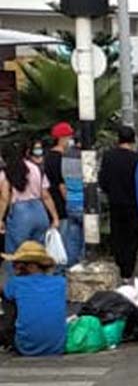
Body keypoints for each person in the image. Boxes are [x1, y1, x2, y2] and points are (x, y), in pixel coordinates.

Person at [0, 142, 60, 276]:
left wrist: (0, 218)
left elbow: (4, 197)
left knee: (16, 254)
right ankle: (38, 281)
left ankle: (15, 285)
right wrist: (55, 217)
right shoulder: (36, 169)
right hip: (40, 211)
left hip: (19, 214)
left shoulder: (6, 172)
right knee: (38, 253)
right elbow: (46, 195)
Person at [0, 241, 66, 356]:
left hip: (25, 348)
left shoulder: (16, 283)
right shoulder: (61, 282)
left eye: (17, 264)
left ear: (32, 266)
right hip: (57, 347)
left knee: (8, 299)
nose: (14, 267)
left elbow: (5, 293)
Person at [98, 127, 138, 279]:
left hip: (115, 203)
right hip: (133, 204)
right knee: (132, 238)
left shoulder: (108, 157)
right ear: (133, 140)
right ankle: (128, 271)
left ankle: (119, 266)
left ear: (118, 139)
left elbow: (103, 180)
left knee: (117, 236)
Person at [46, 121, 84, 267]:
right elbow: (61, 184)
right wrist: (69, 200)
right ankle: (63, 269)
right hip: (63, 203)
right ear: (62, 138)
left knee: (66, 241)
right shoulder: (60, 158)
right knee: (66, 240)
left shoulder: (49, 156)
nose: (70, 140)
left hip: (54, 201)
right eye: (69, 137)